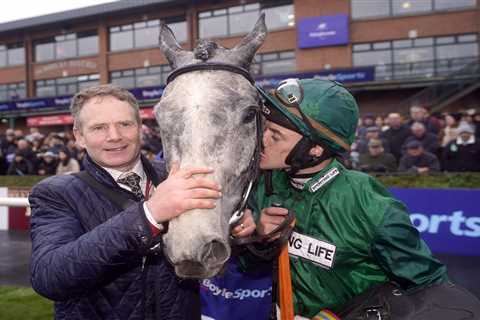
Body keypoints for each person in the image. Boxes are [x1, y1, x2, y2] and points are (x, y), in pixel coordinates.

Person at [241, 78, 480, 319]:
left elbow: (431, 289)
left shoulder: (368, 203)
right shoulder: (260, 184)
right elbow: (244, 272)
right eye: (265, 126)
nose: (261, 139)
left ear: (315, 149)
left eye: (276, 135)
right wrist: (258, 241)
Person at [29, 84, 222, 319]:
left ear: (140, 128)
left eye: (125, 124)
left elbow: (220, 250)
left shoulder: (177, 176)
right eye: (99, 128)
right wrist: (148, 215)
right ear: (79, 136)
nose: (114, 136)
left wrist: (253, 236)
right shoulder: (55, 193)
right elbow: (50, 277)